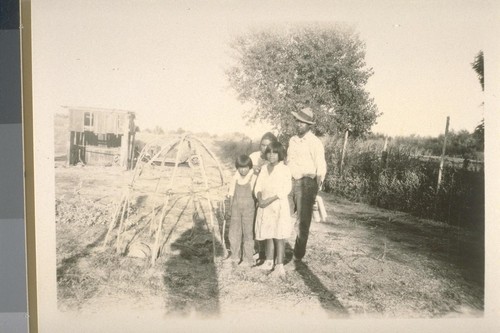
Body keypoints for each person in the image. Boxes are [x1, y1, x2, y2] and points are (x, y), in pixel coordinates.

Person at [287, 107, 327, 261]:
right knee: (285, 215)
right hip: (290, 182)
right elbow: (289, 161)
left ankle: (298, 255)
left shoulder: (314, 142)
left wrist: (316, 188)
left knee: (303, 222)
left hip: (306, 184)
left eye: (303, 122)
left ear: (309, 125)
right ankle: (278, 250)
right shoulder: (292, 140)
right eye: (297, 121)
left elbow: (321, 166)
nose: (299, 124)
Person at [254, 141, 292, 277]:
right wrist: (260, 200)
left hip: (277, 206)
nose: (271, 155)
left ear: (280, 154)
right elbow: (258, 186)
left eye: (274, 153)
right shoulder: (264, 168)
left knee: (278, 235)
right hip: (264, 205)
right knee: (268, 233)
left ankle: (279, 266)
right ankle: (268, 261)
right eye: (269, 152)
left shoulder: (284, 169)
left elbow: (285, 189)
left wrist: (268, 200)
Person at [249, 132, 278, 262]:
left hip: (266, 196)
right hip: (252, 193)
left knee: (268, 224)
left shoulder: (274, 159)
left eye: (268, 145)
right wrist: (252, 168)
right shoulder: (254, 156)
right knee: (256, 223)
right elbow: (242, 169)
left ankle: (270, 254)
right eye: (262, 145)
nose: (264, 148)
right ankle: (259, 250)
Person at [226, 155, 257, 267]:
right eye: (240, 167)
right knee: (234, 232)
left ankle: (248, 258)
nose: (243, 170)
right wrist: (230, 209)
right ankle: (235, 256)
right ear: (237, 167)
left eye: (245, 167)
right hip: (236, 208)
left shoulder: (253, 178)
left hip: (249, 209)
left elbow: (256, 194)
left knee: (248, 233)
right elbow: (231, 194)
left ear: (249, 167)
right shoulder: (235, 178)